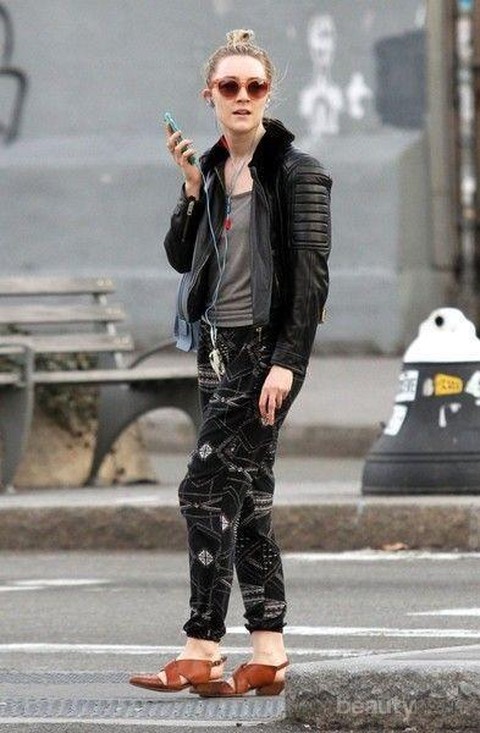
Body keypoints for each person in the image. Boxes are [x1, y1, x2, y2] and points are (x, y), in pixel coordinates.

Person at [130, 28, 331, 698]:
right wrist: (191, 187)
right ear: (209, 96)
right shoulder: (213, 170)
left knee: (203, 489)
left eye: (254, 86)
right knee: (247, 503)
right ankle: (269, 652)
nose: (242, 96)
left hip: (265, 355)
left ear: (269, 94)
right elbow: (181, 258)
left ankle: (201, 646)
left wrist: (287, 364)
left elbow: (311, 280)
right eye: (229, 86)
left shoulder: (298, 172)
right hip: (216, 350)